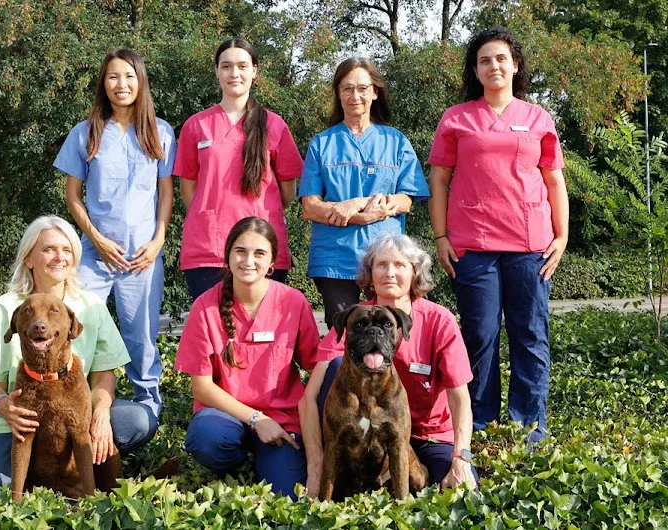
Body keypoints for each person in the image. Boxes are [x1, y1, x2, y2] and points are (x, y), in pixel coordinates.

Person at [427, 28, 569, 443]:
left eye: (501, 58)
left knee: (530, 334)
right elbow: (439, 180)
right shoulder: (457, 118)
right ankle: (482, 423)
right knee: (479, 334)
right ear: (475, 69)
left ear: (515, 65)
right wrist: (441, 238)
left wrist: (562, 237)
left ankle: (530, 426)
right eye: (485, 60)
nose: (494, 66)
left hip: (531, 245)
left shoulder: (538, 118)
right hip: (475, 244)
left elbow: (555, 181)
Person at [0, 215, 150, 501]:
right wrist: (3, 406)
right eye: (48, 249)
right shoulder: (4, 308)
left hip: (71, 412)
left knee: (136, 419)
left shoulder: (92, 307)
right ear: (29, 259)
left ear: (74, 259)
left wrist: (99, 415)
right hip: (11, 424)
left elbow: (103, 376)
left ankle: (95, 467)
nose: (58, 256)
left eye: (66, 250)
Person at [299, 233, 479, 497]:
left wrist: (461, 457)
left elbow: (460, 398)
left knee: (461, 494)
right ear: (369, 274)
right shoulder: (356, 319)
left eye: (400, 265)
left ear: (415, 273)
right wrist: (315, 465)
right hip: (362, 438)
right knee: (334, 365)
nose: (389, 273)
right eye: (381, 265)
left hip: (429, 437)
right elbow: (309, 398)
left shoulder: (440, 320)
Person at [54, 49, 176, 427]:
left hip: (143, 256)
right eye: (112, 77)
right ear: (103, 84)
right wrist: (98, 240)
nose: (121, 84)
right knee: (77, 328)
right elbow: (73, 197)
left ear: (140, 82)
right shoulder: (85, 132)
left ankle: (147, 410)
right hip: (95, 256)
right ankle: (71, 401)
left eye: (128, 76)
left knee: (141, 338)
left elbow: (166, 194)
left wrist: (157, 242)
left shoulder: (161, 131)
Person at [174, 217, 320, 498]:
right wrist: (256, 419)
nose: (248, 261)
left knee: (287, 497)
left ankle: (270, 459)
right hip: (225, 418)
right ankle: (237, 458)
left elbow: (317, 363)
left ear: (272, 263)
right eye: (240, 251)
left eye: (259, 253)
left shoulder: (293, 303)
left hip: (283, 422)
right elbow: (201, 387)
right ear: (227, 256)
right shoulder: (205, 307)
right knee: (208, 438)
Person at [298, 58, 430, 329]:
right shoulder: (322, 144)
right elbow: (310, 206)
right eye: (346, 89)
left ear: (374, 92)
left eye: (362, 88)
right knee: (344, 336)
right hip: (335, 259)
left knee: (387, 334)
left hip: (385, 260)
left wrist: (361, 204)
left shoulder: (395, 141)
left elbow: (407, 199)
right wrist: (351, 216)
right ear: (338, 93)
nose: (354, 96)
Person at [173, 38, 304, 300]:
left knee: (260, 332)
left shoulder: (275, 126)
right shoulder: (196, 126)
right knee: (213, 332)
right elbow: (189, 191)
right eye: (226, 66)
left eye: (242, 66)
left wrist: (256, 212)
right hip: (208, 249)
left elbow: (287, 192)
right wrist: (212, 214)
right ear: (216, 71)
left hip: (262, 248)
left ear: (254, 71)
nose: (234, 73)